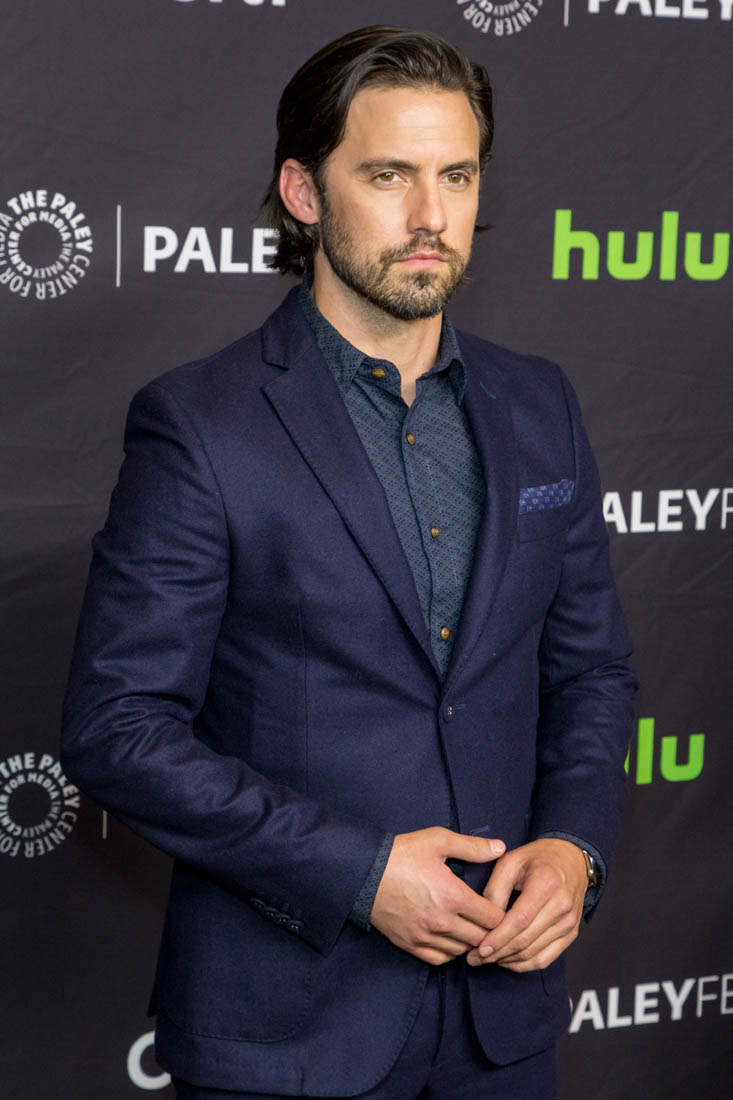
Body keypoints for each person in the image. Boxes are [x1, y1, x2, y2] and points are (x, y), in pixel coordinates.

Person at [61, 25, 636, 1100]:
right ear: (303, 192)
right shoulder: (202, 424)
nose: (430, 217)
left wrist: (572, 850)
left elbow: (592, 672)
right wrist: (360, 873)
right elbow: (119, 726)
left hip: (503, 1026)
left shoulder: (540, 404)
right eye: (387, 175)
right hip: (285, 1032)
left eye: (456, 176)